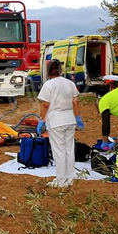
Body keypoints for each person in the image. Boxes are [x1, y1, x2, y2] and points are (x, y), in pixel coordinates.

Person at [36, 59, 84, 188]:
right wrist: (78, 117)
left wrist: (42, 120)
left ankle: (61, 180)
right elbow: (75, 102)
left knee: (59, 151)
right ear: (60, 70)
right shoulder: (69, 83)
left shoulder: (48, 85)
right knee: (69, 149)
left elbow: (45, 104)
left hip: (56, 120)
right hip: (70, 119)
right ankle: (70, 178)